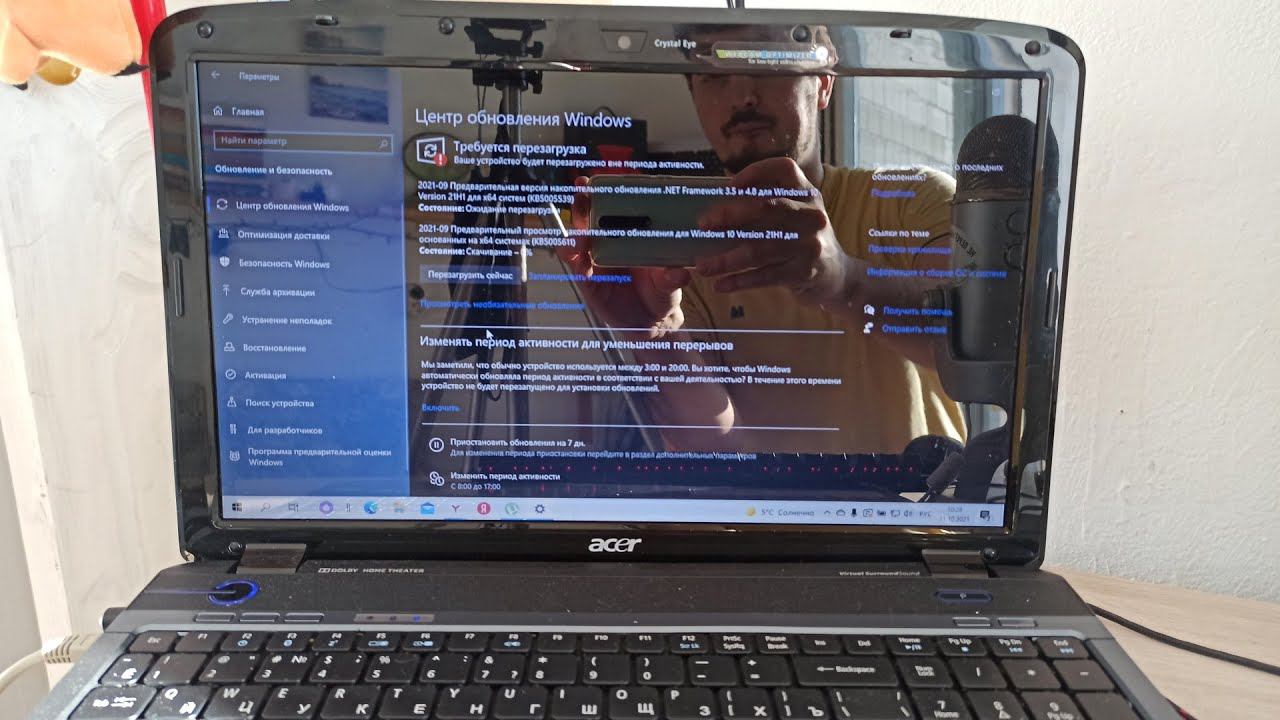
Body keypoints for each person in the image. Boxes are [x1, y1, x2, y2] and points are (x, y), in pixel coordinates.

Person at [559, 27, 965, 454]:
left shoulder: (914, 200)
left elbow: (981, 347)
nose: (742, 97)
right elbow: (718, 444)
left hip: (917, 498)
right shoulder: (682, 254)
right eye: (713, 75)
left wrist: (845, 281)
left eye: (767, 61)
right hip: (767, 501)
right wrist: (657, 337)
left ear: (823, 84)